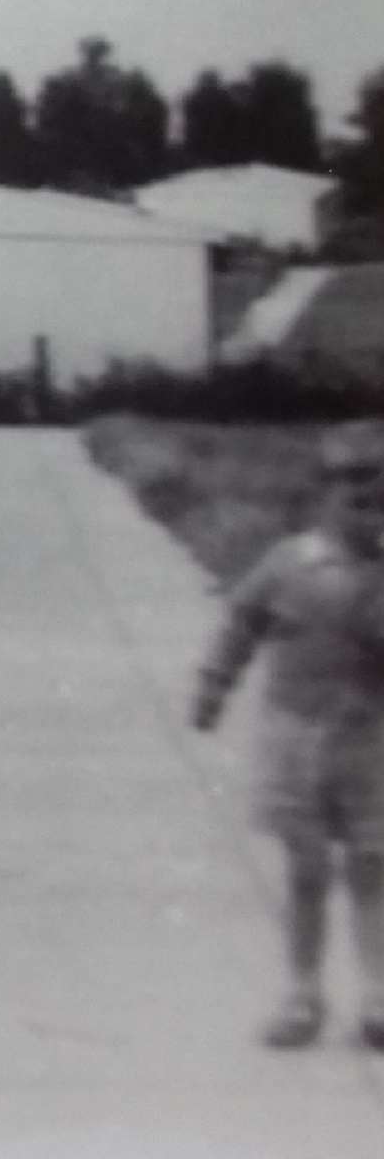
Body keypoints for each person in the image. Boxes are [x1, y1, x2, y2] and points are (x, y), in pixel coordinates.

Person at [191, 420, 384, 1050]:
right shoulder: (288, 562)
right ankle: (303, 993)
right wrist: (215, 684)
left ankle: (379, 996)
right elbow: (242, 622)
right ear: (323, 495)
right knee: (306, 871)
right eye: (353, 495)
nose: (367, 509)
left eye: (380, 497)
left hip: (371, 740)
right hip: (293, 737)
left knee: (373, 867)